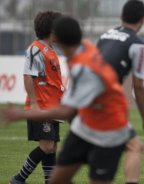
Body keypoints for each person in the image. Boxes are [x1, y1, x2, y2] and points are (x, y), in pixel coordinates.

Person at [2, 16, 129, 184]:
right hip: (85, 124)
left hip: (105, 130)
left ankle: (19, 179)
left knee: (53, 151)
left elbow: (68, 109)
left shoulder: (83, 67)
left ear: (58, 38)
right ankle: (22, 180)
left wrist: (21, 114)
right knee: (51, 156)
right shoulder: (85, 50)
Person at [97, 1, 144, 183]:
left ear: (121, 17)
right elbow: (138, 86)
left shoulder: (105, 35)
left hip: (84, 98)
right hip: (105, 102)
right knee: (135, 146)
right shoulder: (139, 45)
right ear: (143, 19)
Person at [9, 11, 63, 184]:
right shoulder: (35, 49)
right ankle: (19, 179)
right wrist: (34, 104)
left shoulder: (51, 51)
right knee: (46, 146)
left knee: (52, 147)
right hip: (40, 107)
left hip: (52, 107)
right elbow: (28, 75)